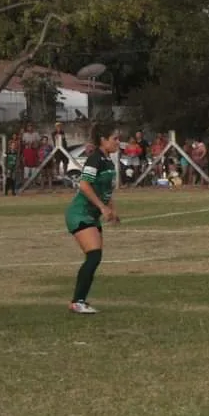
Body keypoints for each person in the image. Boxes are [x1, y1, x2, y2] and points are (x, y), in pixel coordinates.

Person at [64, 124, 121, 314]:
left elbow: (106, 190)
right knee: (94, 255)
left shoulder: (108, 161)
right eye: (115, 138)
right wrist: (102, 207)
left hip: (92, 214)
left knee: (95, 257)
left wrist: (112, 209)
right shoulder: (95, 159)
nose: (118, 142)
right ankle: (77, 302)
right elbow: (84, 185)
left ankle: (79, 301)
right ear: (103, 140)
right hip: (80, 213)